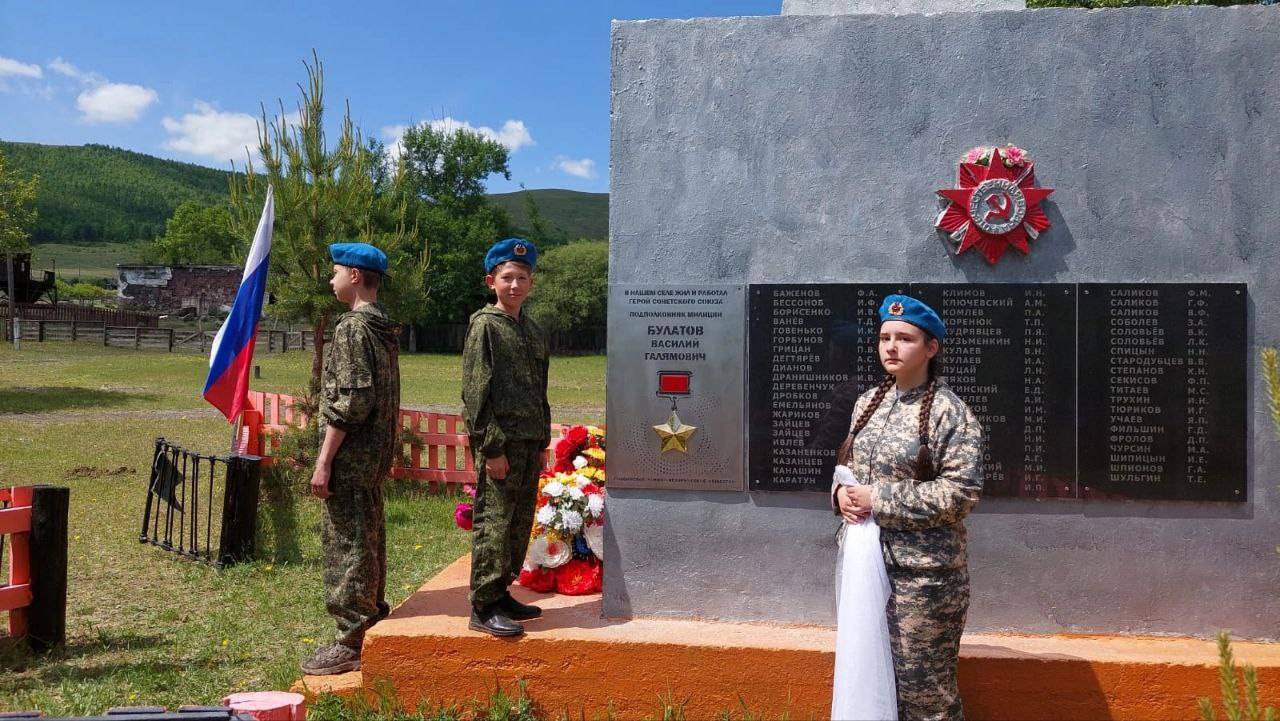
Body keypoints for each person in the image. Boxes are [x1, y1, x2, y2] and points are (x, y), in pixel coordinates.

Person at [831, 294, 985, 721]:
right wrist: (840, 496)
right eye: (884, 338)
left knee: (925, 697)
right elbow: (849, 468)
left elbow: (961, 493)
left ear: (931, 348)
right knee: (872, 685)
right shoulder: (868, 404)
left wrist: (878, 499)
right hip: (868, 571)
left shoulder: (949, 413)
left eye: (905, 338)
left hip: (924, 581)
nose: (891, 347)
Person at [301, 242, 402, 676]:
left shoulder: (352, 329)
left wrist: (324, 460)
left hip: (352, 457)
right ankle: (373, 614)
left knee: (346, 544)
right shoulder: (382, 327)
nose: (331, 278)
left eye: (336, 271)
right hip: (374, 455)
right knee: (368, 536)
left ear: (356, 277)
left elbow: (352, 402)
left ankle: (352, 637)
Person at [462, 237, 552, 637]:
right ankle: (483, 605)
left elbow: (539, 388)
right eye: (507, 278)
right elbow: (476, 393)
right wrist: (492, 447)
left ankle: (501, 593)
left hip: (529, 442)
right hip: (501, 444)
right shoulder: (486, 326)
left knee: (517, 522)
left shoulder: (530, 329)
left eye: (522, 278)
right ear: (491, 281)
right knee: (495, 522)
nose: (515, 286)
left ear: (531, 283)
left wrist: (542, 440)